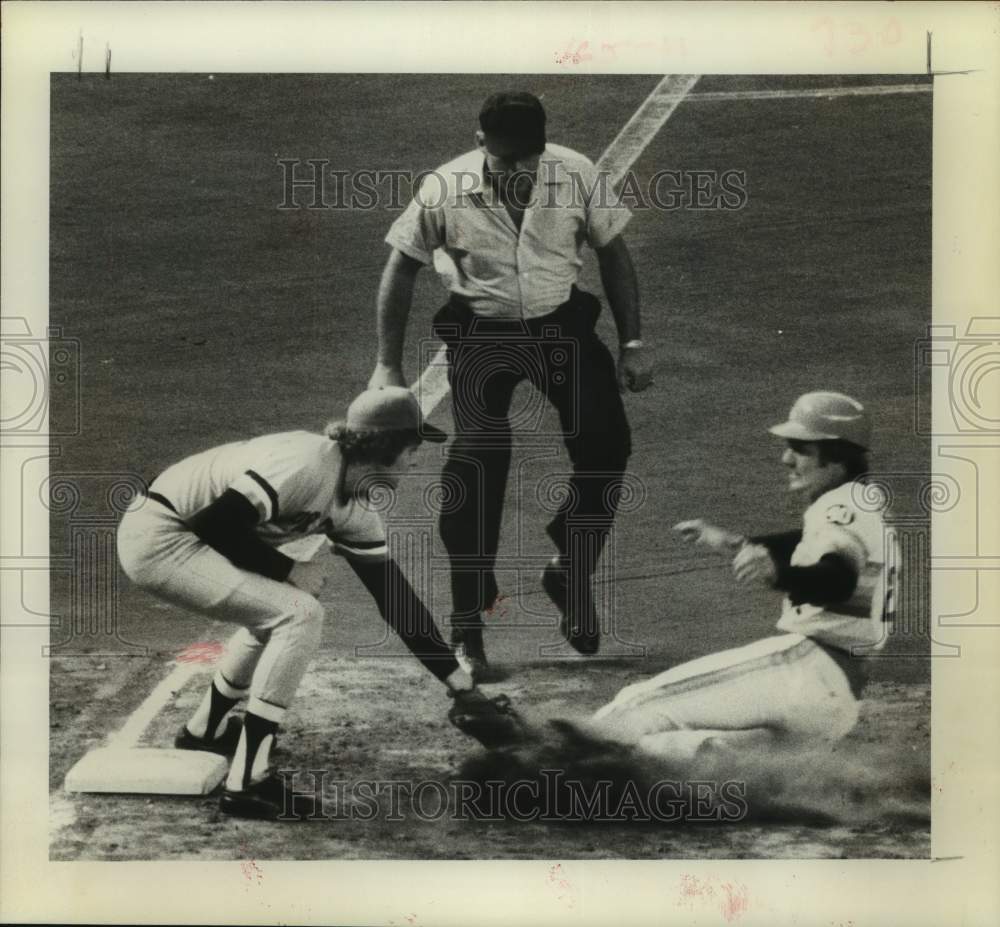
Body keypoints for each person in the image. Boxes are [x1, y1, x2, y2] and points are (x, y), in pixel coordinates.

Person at [117, 386, 510, 820]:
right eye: (412, 449)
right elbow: (214, 524)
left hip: (190, 538)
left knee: (281, 610)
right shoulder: (304, 463)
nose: (415, 461)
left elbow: (396, 601)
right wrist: (288, 570)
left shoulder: (356, 507)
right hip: (160, 535)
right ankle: (248, 783)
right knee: (299, 614)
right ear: (384, 447)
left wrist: (462, 689)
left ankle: (205, 731)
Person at [369, 90, 653, 678]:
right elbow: (400, 268)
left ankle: (569, 570)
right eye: (506, 162)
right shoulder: (443, 188)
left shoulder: (575, 173)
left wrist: (630, 344)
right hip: (482, 334)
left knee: (607, 446)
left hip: (561, 327)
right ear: (480, 145)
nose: (521, 174)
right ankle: (468, 623)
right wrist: (387, 366)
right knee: (474, 467)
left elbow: (614, 257)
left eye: (530, 159)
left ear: (543, 146)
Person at [578, 390, 898, 762]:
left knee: (637, 705)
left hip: (807, 671)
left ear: (836, 456)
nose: (786, 458)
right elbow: (809, 545)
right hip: (835, 704)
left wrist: (780, 575)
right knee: (669, 756)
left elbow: (838, 579)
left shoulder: (838, 507)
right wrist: (736, 542)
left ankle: (538, 766)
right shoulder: (865, 504)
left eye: (800, 448)